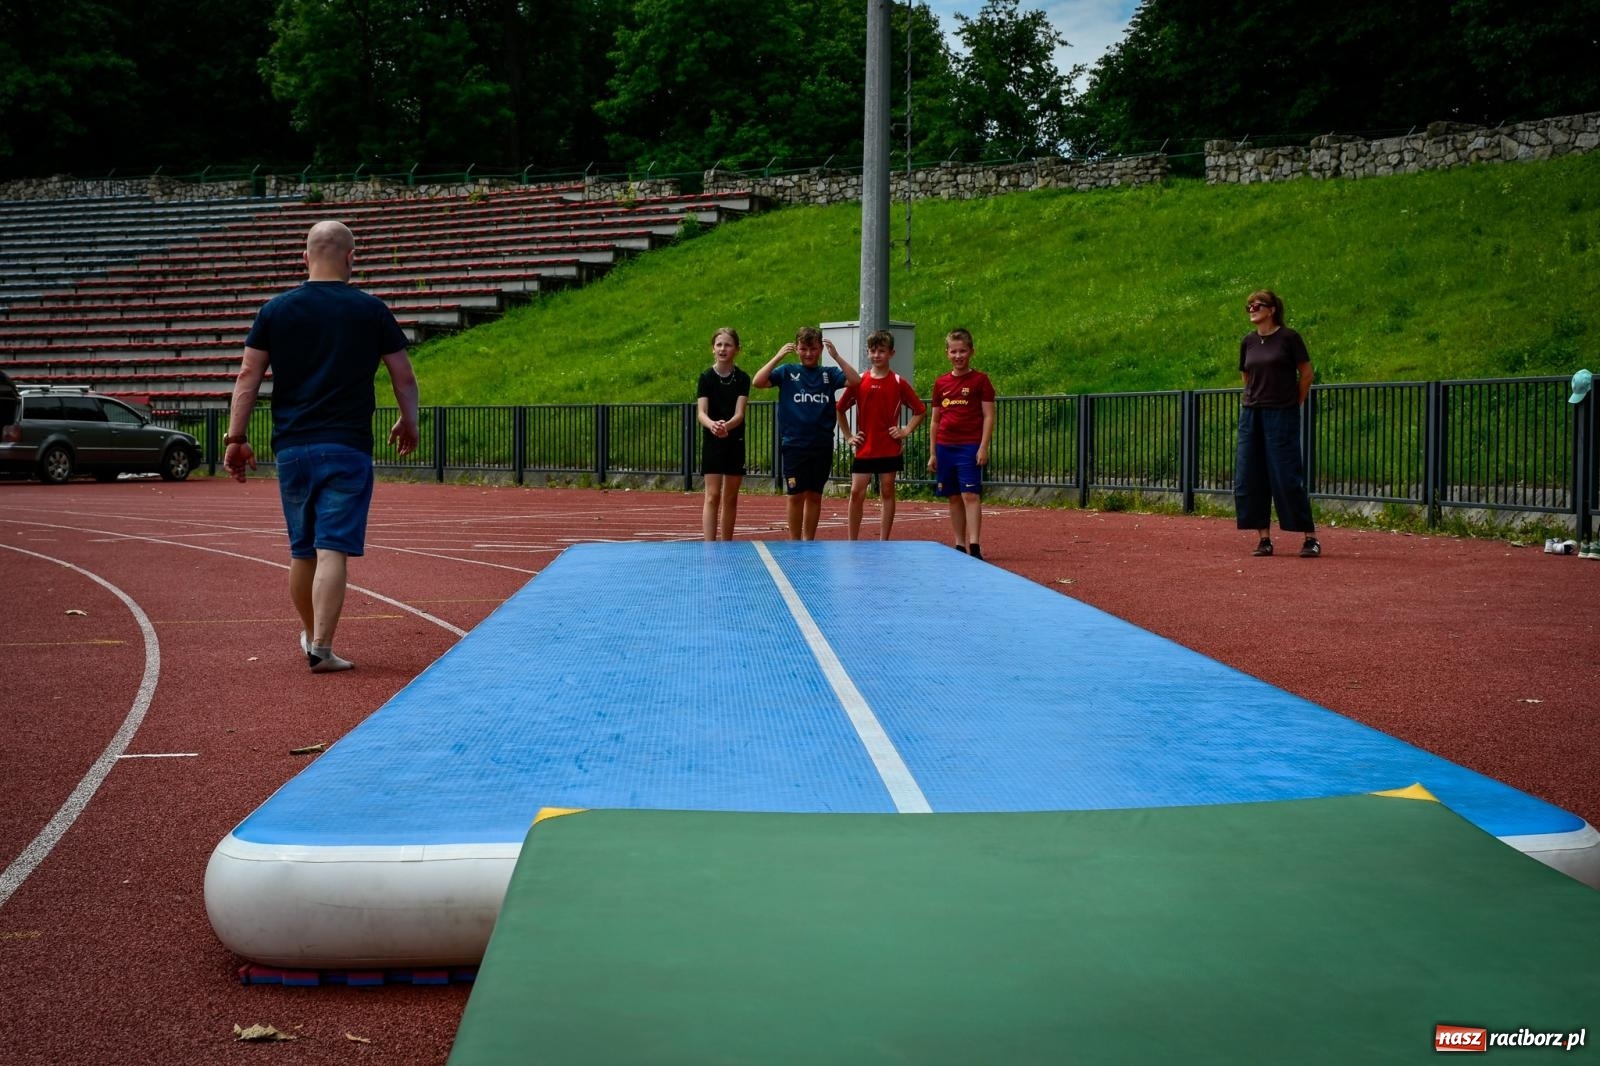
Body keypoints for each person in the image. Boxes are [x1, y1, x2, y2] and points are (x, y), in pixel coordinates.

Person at [223, 220, 421, 672]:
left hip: (293, 446)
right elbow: (403, 376)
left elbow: (247, 377)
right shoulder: (371, 310)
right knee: (333, 547)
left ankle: (312, 636)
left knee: (303, 549)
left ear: (305, 257)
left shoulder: (275, 310)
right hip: (347, 445)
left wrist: (236, 438)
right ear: (352, 257)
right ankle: (322, 647)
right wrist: (408, 421)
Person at [753, 326, 861, 539]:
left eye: (813, 349)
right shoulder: (787, 372)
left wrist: (837, 357)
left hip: (821, 444)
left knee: (814, 495)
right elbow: (758, 381)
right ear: (797, 349)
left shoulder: (828, 374)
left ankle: (808, 540)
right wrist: (777, 357)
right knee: (795, 495)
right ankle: (794, 541)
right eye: (803, 349)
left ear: (820, 349)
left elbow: (856, 381)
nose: (808, 354)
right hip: (794, 443)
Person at [1235, 289, 1319, 558]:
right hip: (1252, 415)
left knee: (1286, 475)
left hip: (1281, 414)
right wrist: (1253, 398)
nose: (1252, 308)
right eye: (1249, 305)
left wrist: (1294, 402)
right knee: (1250, 475)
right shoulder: (1247, 342)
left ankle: (1309, 538)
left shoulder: (1289, 338)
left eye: (1258, 304)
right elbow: (1246, 375)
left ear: (1272, 310)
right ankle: (1264, 539)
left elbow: (1306, 374)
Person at [836, 329, 926, 540]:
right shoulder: (859, 381)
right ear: (868, 352)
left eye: (882, 351)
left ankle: (884, 540)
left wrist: (906, 430)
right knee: (857, 492)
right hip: (865, 448)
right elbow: (840, 408)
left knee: (887, 491)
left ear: (891, 353)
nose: (877, 355)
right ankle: (852, 540)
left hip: (889, 447)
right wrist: (849, 436)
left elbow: (920, 410)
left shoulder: (897, 382)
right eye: (873, 351)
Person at [927, 328, 996, 559]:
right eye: (954, 351)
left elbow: (988, 416)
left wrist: (983, 446)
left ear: (971, 352)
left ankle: (974, 545)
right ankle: (959, 544)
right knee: (953, 496)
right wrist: (933, 453)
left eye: (963, 351)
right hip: (945, 446)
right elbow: (935, 420)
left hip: (969, 445)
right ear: (947, 353)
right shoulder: (941, 383)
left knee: (971, 495)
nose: (958, 356)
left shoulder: (980, 381)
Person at [696, 327, 751, 540]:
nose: (722, 349)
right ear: (713, 349)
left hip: (734, 439)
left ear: (737, 349)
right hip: (712, 440)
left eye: (728, 345)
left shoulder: (742, 378)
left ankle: (727, 543)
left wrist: (726, 427)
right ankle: (709, 544)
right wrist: (713, 425)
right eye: (719, 344)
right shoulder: (706, 378)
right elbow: (701, 412)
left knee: (730, 496)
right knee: (712, 496)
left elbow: (739, 413)